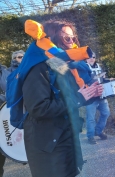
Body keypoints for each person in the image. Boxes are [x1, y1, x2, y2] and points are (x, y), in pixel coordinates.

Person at [21, 19, 103, 177]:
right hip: (48, 145)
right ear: (52, 39)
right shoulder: (38, 67)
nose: (72, 43)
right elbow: (39, 108)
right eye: (67, 38)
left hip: (65, 138)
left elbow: (71, 99)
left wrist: (90, 94)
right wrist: (79, 98)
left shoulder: (61, 66)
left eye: (73, 38)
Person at [84, 51, 110, 144]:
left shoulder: (99, 66)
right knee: (91, 118)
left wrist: (108, 80)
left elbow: (102, 78)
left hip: (101, 95)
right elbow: (83, 81)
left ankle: (98, 131)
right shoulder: (84, 67)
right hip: (91, 97)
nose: (92, 58)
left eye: (93, 57)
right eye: (90, 57)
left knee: (106, 113)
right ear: (86, 58)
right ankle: (90, 136)